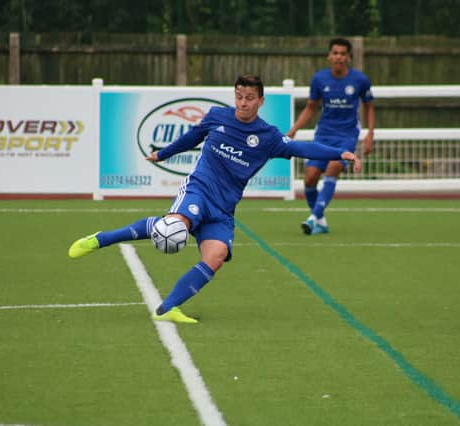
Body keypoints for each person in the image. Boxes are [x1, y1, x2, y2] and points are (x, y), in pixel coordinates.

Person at [68, 75, 361, 324]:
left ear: (260, 101)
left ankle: (167, 309)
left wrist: (340, 153)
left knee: (216, 256)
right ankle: (100, 239)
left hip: (223, 209)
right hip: (198, 190)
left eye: (249, 98)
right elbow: (191, 138)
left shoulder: (268, 136)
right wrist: (164, 153)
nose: (243, 103)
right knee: (175, 226)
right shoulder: (217, 117)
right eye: (238, 97)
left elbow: (300, 146)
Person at [286, 37, 374, 235]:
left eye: (343, 54)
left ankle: (312, 217)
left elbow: (369, 107)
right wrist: (294, 129)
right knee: (309, 179)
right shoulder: (319, 79)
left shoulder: (360, 80)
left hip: (347, 135)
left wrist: (370, 134)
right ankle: (321, 221)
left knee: (333, 169)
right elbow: (310, 108)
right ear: (329, 56)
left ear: (349, 57)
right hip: (324, 133)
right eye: (335, 53)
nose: (339, 57)